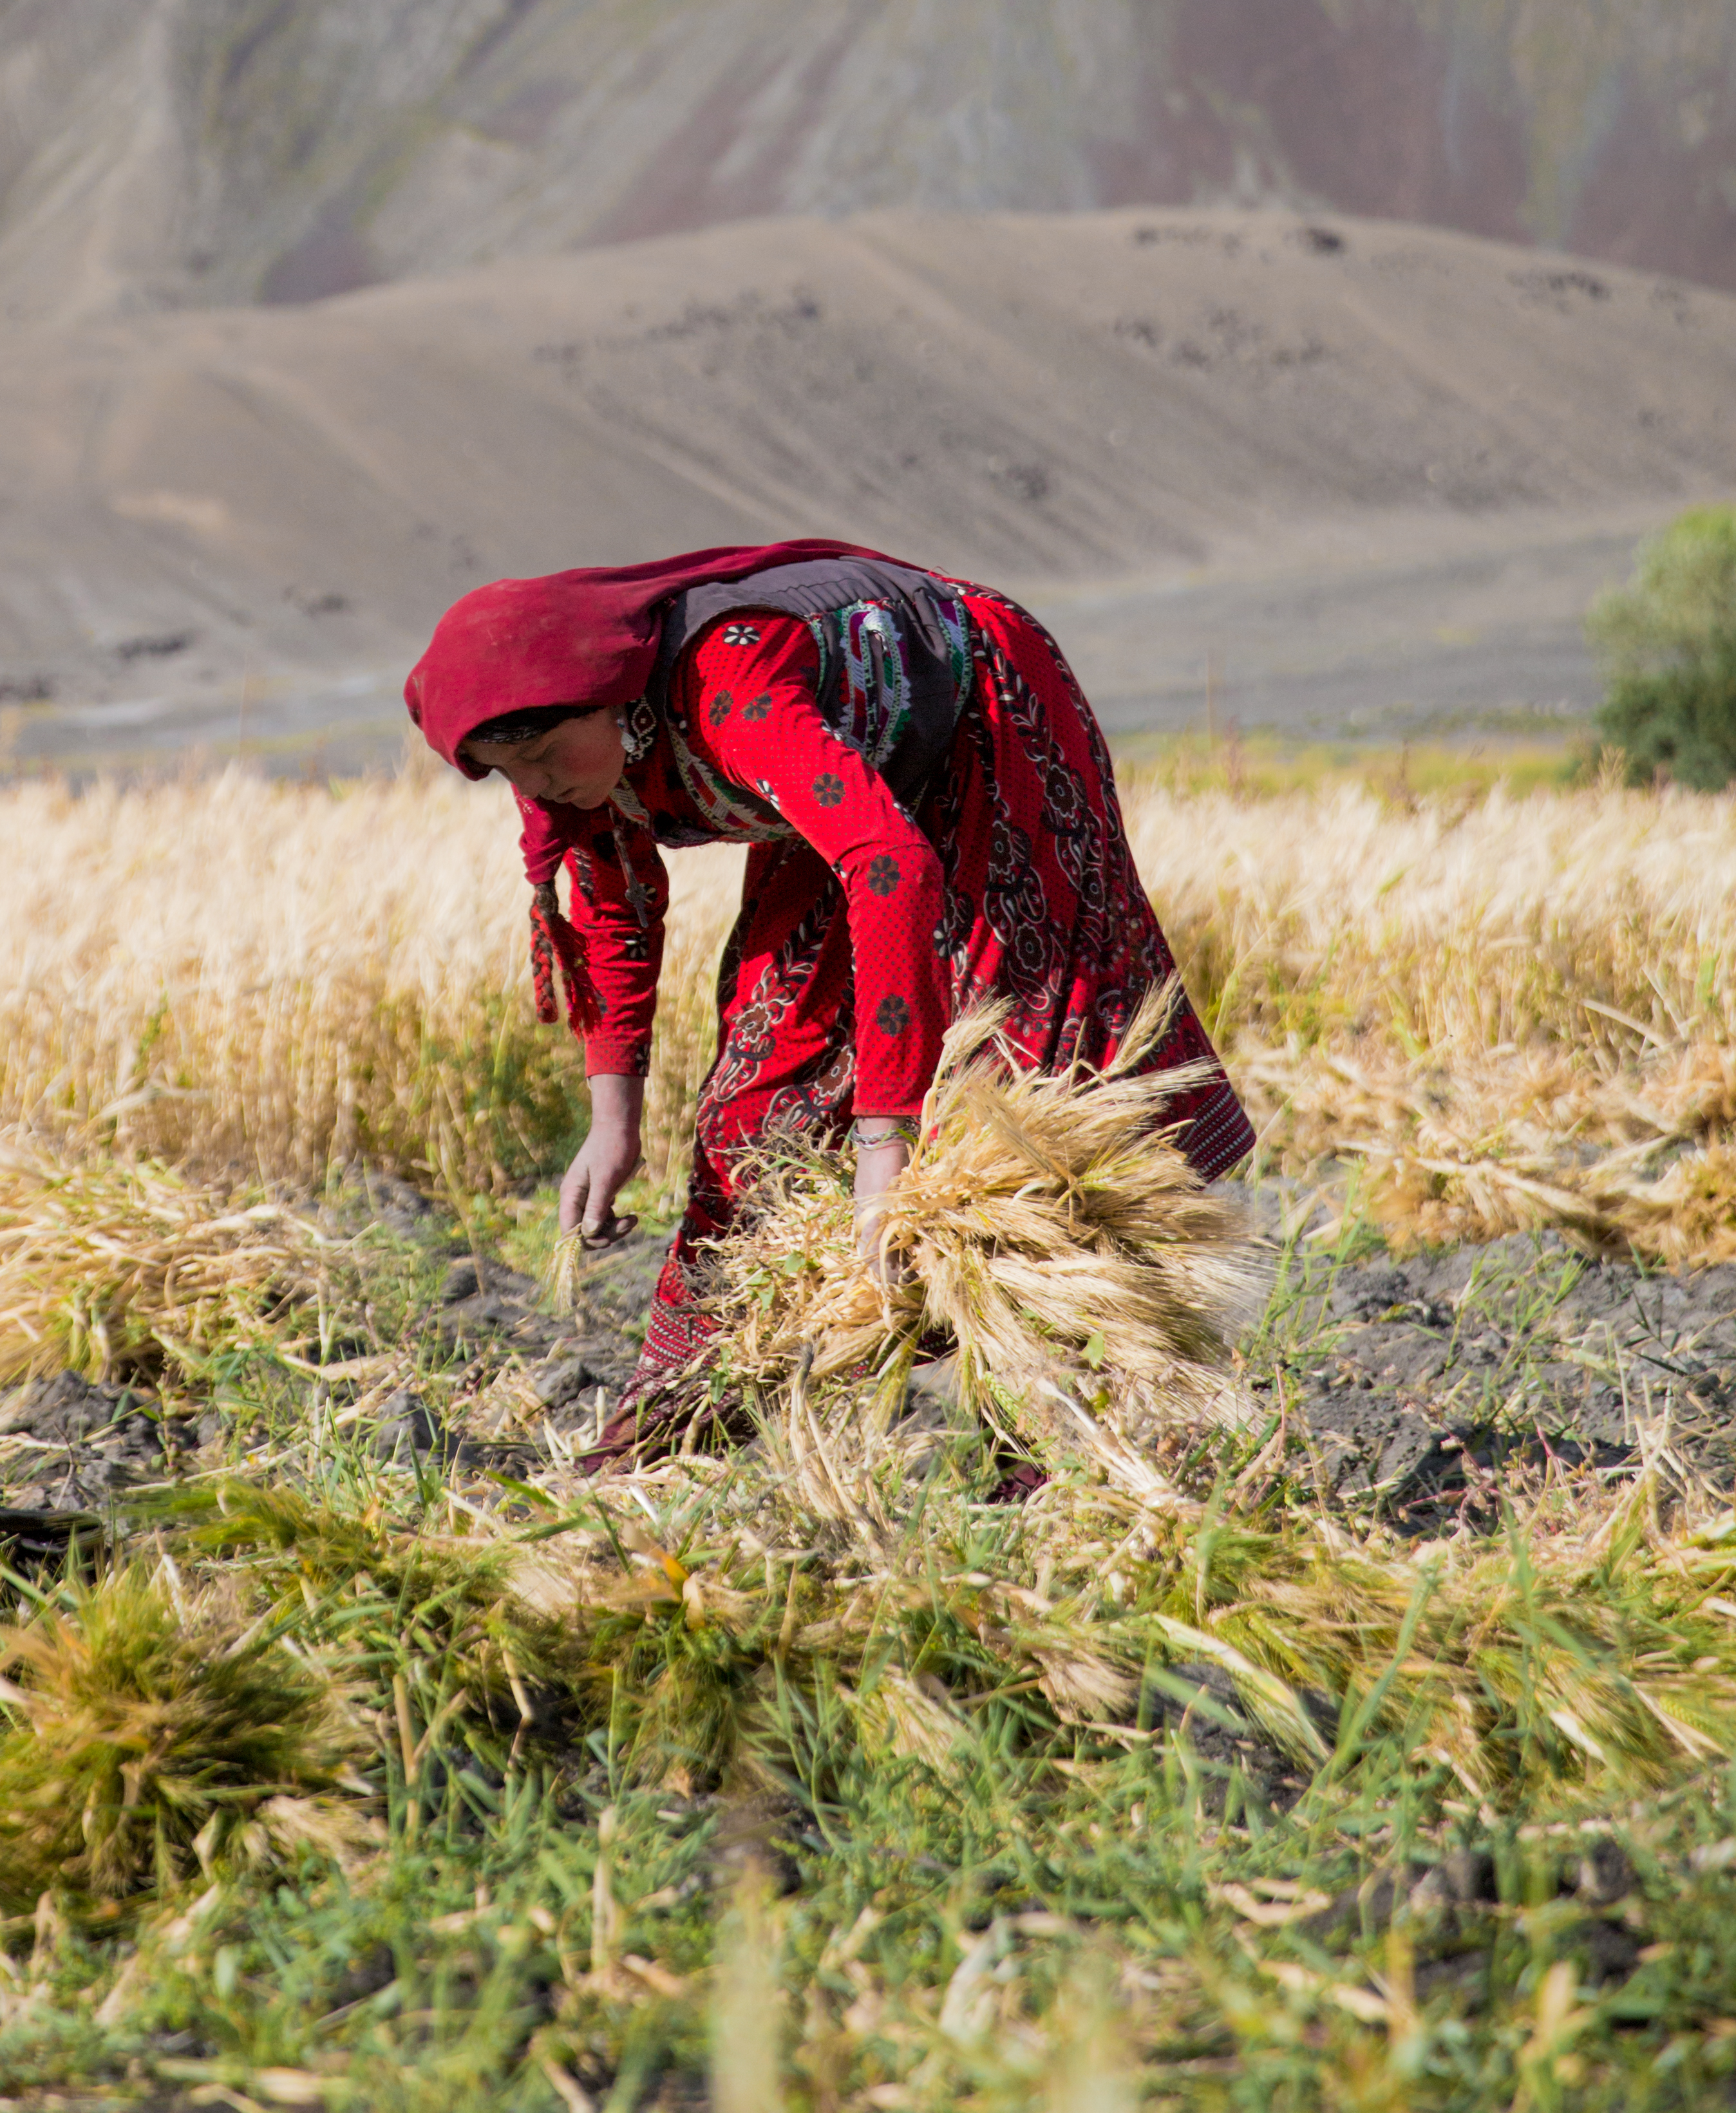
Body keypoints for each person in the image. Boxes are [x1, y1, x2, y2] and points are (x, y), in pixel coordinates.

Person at [406, 538, 1253, 1457]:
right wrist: (614, 1123)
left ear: (611, 695)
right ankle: (672, 1438)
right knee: (755, 1103)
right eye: (510, 773)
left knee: (1018, 1092)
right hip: (847, 787)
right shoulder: (566, 768)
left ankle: (1070, 1449)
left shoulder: (732, 685)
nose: (538, 788)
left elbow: (889, 867)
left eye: (541, 757)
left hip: (978, 723)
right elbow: (615, 914)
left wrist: (881, 1149)